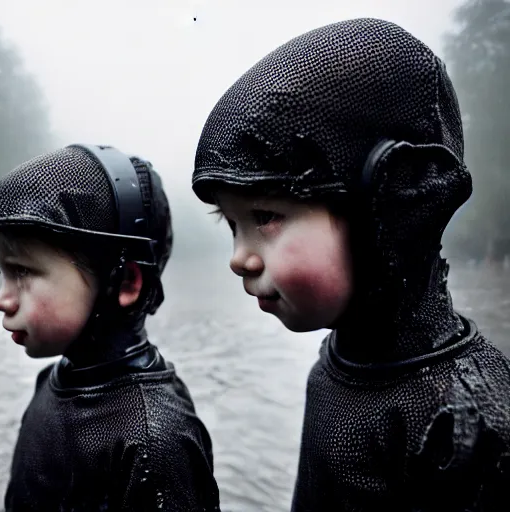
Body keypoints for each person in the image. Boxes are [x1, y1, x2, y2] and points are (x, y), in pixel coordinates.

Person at [190, 18, 510, 511]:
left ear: (392, 205)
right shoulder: (335, 362)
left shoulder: (472, 415)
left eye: (266, 216)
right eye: (232, 225)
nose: (239, 259)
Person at [0, 144, 220, 511]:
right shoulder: (51, 380)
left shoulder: (155, 437)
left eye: (23, 271)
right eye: (3, 271)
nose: (1, 298)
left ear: (124, 282)